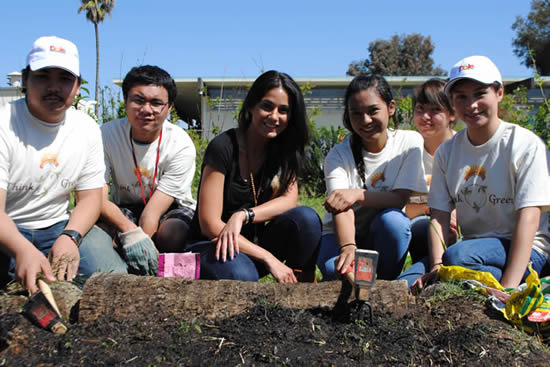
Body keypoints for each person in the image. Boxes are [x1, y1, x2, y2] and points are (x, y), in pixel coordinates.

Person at [407, 55, 550, 292]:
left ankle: (514, 284)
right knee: (409, 281)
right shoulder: (448, 152)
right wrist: (437, 266)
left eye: (480, 94)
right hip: (475, 252)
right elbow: (439, 216)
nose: (471, 104)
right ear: (453, 102)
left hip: (529, 250)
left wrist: (507, 289)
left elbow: (529, 218)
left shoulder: (524, 144)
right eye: (461, 97)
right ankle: (466, 281)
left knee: (459, 258)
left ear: (499, 93)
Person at [184, 70, 321, 283]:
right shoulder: (223, 148)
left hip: (252, 246)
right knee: (243, 275)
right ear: (251, 106)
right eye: (267, 106)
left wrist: (243, 215)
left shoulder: (285, 150)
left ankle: (303, 293)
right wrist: (268, 257)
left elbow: (289, 200)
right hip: (212, 245)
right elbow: (209, 224)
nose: (274, 116)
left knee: (306, 219)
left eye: (283, 110)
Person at [0, 36, 104, 293]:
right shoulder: (4, 124)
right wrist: (22, 249)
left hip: (58, 225)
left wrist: (71, 237)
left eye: (65, 79)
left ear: (78, 86)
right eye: (43, 76)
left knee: (105, 274)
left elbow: (91, 198)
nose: (54, 87)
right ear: (25, 80)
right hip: (8, 228)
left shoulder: (86, 128)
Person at [78, 65, 196, 276]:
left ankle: (166, 272)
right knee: (104, 232)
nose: (146, 110)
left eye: (156, 103)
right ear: (126, 102)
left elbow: (153, 212)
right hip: (126, 206)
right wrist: (129, 231)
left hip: (169, 208)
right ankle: (121, 271)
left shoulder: (180, 144)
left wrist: (142, 243)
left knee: (172, 233)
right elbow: (97, 195)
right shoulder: (105, 135)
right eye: (138, 100)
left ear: (169, 108)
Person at [317, 74, 427, 281]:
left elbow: (400, 198)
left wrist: (357, 194)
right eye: (356, 113)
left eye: (373, 110)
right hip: (342, 234)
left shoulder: (409, 143)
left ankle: (387, 281)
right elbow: (340, 206)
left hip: (382, 233)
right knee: (339, 273)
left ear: (391, 107)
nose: (365, 120)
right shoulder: (338, 155)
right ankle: (361, 282)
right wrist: (348, 247)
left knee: (394, 221)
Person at [404, 79, 457, 265]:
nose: (426, 116)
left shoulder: (464, 149)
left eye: (435, 110)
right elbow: (403, 207)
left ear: (452, 114)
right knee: (421, 229)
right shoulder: (409, 152)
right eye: (420, 108)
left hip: (463, 232)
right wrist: (436, 210)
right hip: (421, 231)